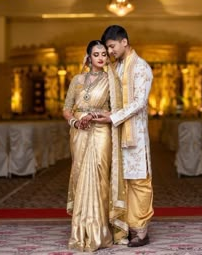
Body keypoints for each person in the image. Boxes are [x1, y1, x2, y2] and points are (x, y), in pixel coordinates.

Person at [62, 40, 127, 252]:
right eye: (96, 54)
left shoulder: (112, 80)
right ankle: (80, 231)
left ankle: (100, 230)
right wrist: (75, 121)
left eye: (104, 54)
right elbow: (66, 108)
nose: (101, 57)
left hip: (100, 131)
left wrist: (96, 115)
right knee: (81, 175)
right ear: (88, 57)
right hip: (79, 132)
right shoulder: (77, 80)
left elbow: (117, 109)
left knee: (100, 175)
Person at [95, 25, 154, 247]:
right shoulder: (116, 67)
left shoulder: (141, 68)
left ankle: (141, 231)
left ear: (124, 42)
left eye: (111, 46)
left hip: (135, 134)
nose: (109, 51)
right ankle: (124, 228)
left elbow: (139, 102)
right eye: (107, 48)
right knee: (122, 180)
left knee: (139, 180)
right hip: (117, 134)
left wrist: (113, 117)